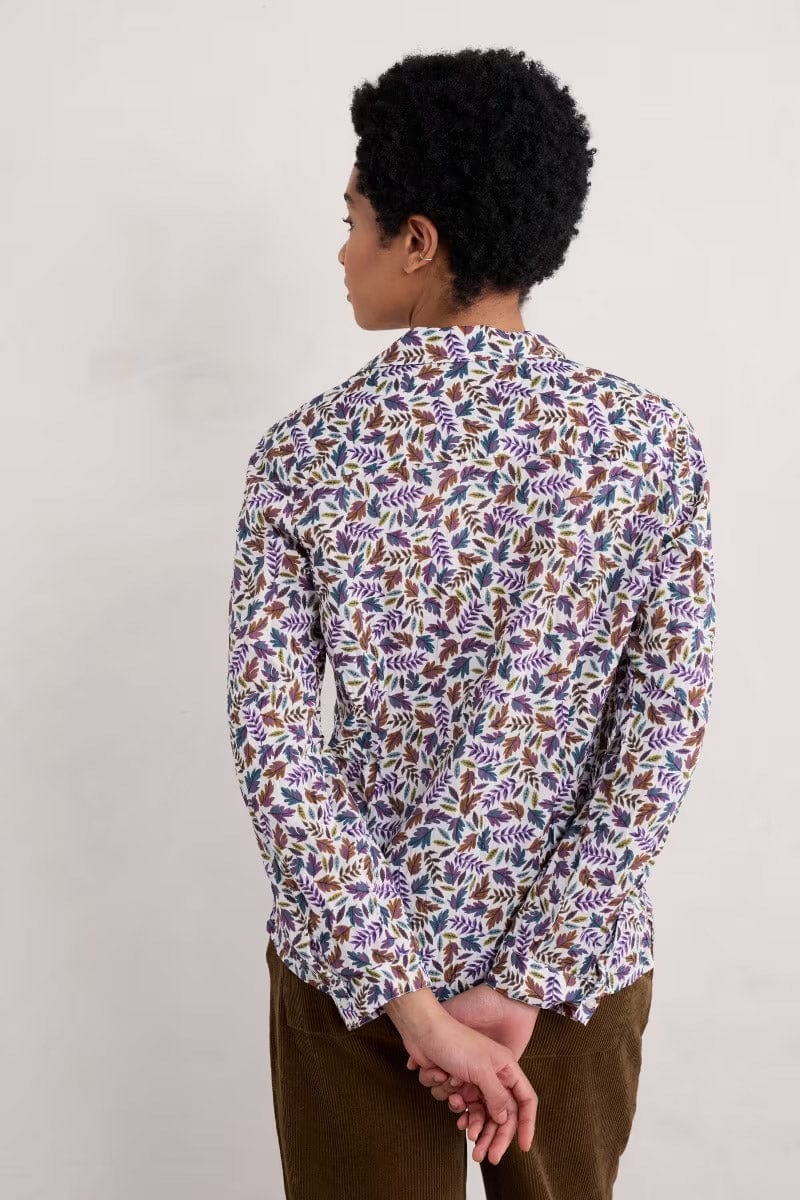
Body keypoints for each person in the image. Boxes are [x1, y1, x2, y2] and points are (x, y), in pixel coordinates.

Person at [226, 46, 716, 1200]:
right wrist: (530, 976)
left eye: (351, 220)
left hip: (356, 980)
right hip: (570, 982)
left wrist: (408, 1001)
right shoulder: (645, 446)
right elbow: (660, 734)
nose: (341, 250)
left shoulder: (302, 457)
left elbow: (276, 747)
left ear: (416, 240)